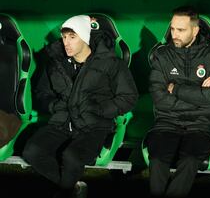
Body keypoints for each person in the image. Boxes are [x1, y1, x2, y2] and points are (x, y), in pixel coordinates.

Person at [22, 15, 138, 198]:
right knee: (32, 151)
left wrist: (100, 110)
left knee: (71, 156)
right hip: (62, 121)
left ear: (84, 37)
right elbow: (42, 93)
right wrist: (54, 106)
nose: (66, 42)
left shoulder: (110, 63)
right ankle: (72, 187)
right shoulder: (56, 62)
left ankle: (65, 191)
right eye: (64, 37)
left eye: (72, 37)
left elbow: (129, 97)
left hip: (94, 124)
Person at [147, 6, 210, 197]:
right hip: (167, 122)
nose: (175, 34)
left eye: (181, 30)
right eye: (173, 29)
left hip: (201, 124)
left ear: (195, 30)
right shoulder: (162, 55)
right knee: (157, 160)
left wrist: (176, 89)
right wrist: (199, 95)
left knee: (189, 161)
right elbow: (159, 99)